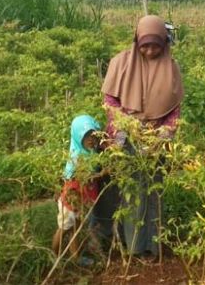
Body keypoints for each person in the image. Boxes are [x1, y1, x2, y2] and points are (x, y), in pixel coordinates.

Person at [98, 15, 183, 259]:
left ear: (164, 43)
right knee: (131, 191)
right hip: (127, 140)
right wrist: (128, 125)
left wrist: (162, 134)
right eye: (144, 45)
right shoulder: (120, 63)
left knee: (153, 192)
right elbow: (110, 101)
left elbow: (175, 109)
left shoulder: (172, 68)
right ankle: (132, 247)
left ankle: (152, 246)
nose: (149, 50)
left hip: (156, 143)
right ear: (136, 42)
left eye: (155, 45)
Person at [52, 114, 105, 265]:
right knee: (64, 229)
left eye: (93, 135)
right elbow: (80, 177)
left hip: (81, 200)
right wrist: (102, 173)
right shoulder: (77, 156)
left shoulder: (91, 153)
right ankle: (54, 256)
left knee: (75, 228)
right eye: (86, 136)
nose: (90, 139)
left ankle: (75, 258)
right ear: (77, 137)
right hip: (72, 200)